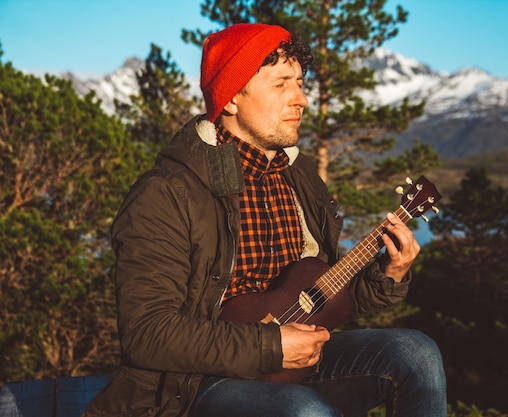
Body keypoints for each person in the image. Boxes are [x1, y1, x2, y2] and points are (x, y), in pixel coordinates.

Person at [83, 23, 446, 417]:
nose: (301, 99)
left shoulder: (300, 178)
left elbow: (320, 298)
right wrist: (270, 346)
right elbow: (147, 334)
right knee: (302, 411)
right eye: (281, 85)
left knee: (416, 353)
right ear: (233, 97)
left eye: (301, 83)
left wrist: (388, 275)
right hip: (192, 385)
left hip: (295, 365)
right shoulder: (168, 192)